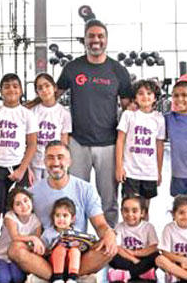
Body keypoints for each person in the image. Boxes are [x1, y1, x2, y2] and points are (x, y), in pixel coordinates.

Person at [8, 140, 117, 283]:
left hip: (77, 251)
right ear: (44, 161)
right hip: (46, 252)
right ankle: (69, 280)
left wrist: (109, 234)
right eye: (50, 158)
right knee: (15, 249)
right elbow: (21, 223)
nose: (55, 162)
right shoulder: (32, 193)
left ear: (69, 161)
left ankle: (51, 280)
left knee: (110, 246)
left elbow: (100, 225)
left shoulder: (85, 189)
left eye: (60, 157)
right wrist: (32, 241)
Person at [55, 19, 133, 226]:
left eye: (100, 36)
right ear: (85, 39)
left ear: (106, 39)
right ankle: (77, 239)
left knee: (109, 200)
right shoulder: (73, 68)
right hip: (77, 143)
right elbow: (51, 97)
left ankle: (109, 240)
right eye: (91, 36)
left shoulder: (118, 70)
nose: (96, 40)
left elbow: (129, 109)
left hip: (108, 144)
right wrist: (26, 107)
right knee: (75, 198)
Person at [0, 73, 38, 214]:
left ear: (21, 90)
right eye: (6, 87)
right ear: (1, 91)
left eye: (15, 86)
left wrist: (22, 170)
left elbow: (32, 144)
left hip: (18, 166)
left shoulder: (27, 114)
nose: (11, 89)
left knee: (18, 209)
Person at [115, 79, 165, 203]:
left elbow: (159, 146)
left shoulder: (159, 119)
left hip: (149, 172)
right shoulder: (128, 115)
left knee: (145, 208)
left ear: (155, 98)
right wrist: (119, 167)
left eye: (149, 93)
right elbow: (120, 141)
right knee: (130, 205)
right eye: (141, 93)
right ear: (135, 98)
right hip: (130, 172)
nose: (145, 96)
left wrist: (159, 172)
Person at [42, 197, 97, 283]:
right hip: (54, 263)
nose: (61, 219)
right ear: (53, 217)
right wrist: (51, 248)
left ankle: (72, 282)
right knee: (60, 249)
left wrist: (79, 245)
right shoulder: (48, 233)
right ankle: (58, 282)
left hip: (71, 263)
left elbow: (84, 247)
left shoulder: (77, 232)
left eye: (65, 215)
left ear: (72, 219)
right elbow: (43, 251)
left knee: (75, 251)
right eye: (57, 215)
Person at [0, 187, 43, 283]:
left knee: (18, 279)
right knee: (3, 281)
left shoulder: (36, 220)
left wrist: (35, 241)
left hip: (16, 256)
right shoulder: (10, 217)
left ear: (31, 201)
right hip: (2, 255)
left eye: (26, 200)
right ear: (13, 208)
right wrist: (33, 238)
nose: (24, 206)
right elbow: (15, 236)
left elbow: (35, 243)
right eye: (18, 204)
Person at [108, 195, 159, 283]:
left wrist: (135, 253)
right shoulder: (119, 227)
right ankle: (143, 273)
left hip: (142, 257)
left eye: (134, 211)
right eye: (126, 211)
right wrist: (133, 259)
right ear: (121, 212)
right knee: (111, 255)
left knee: (156, 256)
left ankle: (126, 274)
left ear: (142, 213)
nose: (130, 214)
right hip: (126, 258)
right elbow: (117, 247)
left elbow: (154, 247)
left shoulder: (148, 227)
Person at [31, 73, 72, 182]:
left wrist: (63, 163)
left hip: (55, 162)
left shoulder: (64, 113)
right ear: (37, 92)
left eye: (47, 86)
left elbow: (64, 142)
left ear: (54, 88)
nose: (44, 90)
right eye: (40, 88)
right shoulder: (32, 112)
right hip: (36, 162)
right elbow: (29, 141)